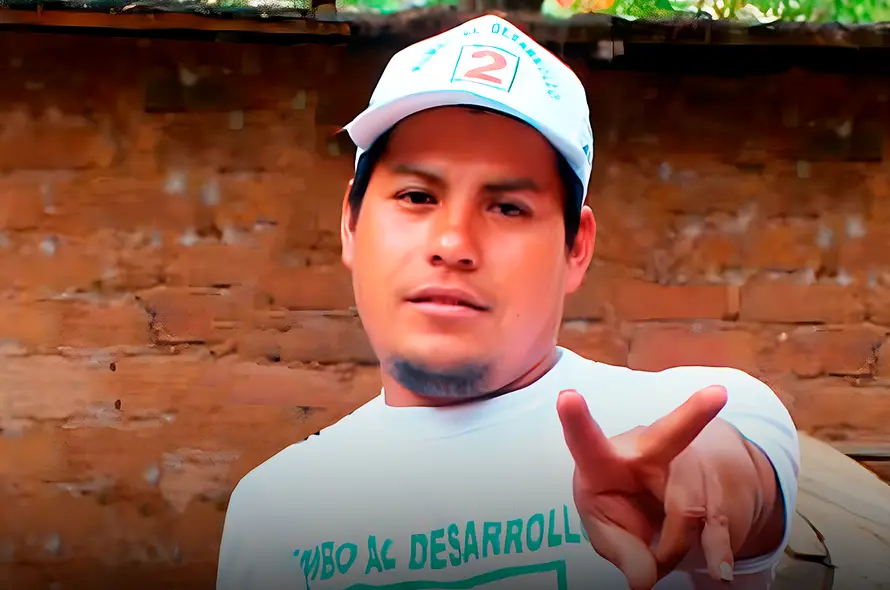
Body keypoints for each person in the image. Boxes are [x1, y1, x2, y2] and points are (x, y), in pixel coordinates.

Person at [216, 13, 799, 590]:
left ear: (576, 248)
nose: (452, 245)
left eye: (508, 208)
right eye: (417, 196)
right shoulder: (273, 512)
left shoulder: (695, 417)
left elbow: (736, 482)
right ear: (350, 224)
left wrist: (699, 484)